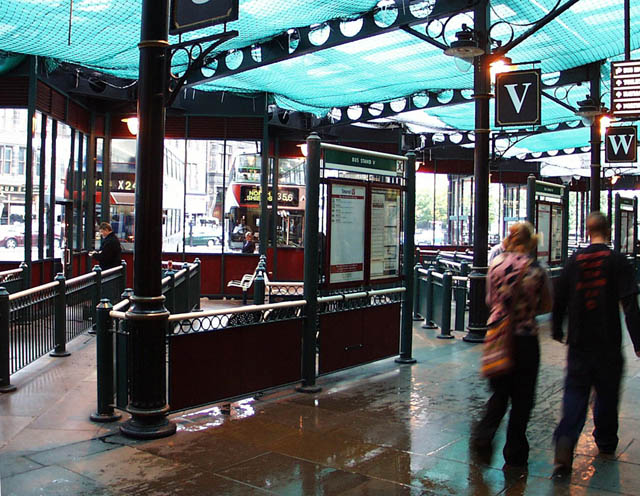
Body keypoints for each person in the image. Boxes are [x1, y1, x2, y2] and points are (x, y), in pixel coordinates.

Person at [551, 212, 640, 477]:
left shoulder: (573, 261)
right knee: (607, 392)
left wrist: (557, 329)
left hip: (579, 341)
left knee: (576, 392)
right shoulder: (617, 261)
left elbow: (559, 298)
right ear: (609, 231)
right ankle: (605, 441)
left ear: (587, 231)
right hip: (608, 342)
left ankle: (566, 438)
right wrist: (638, 341)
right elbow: (630, 304)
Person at [471, 221, 552, 468]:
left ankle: (484, 435)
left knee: (500, 391)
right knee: (523, 398)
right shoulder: (537, 269)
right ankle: (515, 453)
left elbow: (489, 300)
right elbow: (547, 305)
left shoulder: (495, 265)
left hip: (497, 337)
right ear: (529, 242)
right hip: (525, 337)